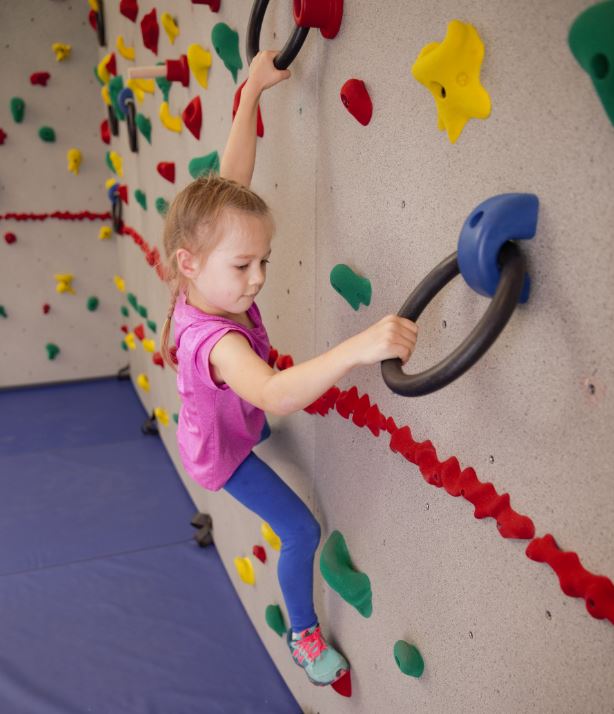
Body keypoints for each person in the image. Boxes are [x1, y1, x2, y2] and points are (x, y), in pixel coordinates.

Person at [160, 51, 418, 687]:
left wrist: (250, 93)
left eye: (264, 261)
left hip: (229, 408)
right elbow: (273, 392)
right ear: (190, 263)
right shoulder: (218, 342)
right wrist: (357, 347)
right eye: (244, 266)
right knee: (300, 526)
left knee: (250, 414)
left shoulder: (202, 273)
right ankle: (304, 636)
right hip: (220, 451)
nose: (259, 279)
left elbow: (232, 179)